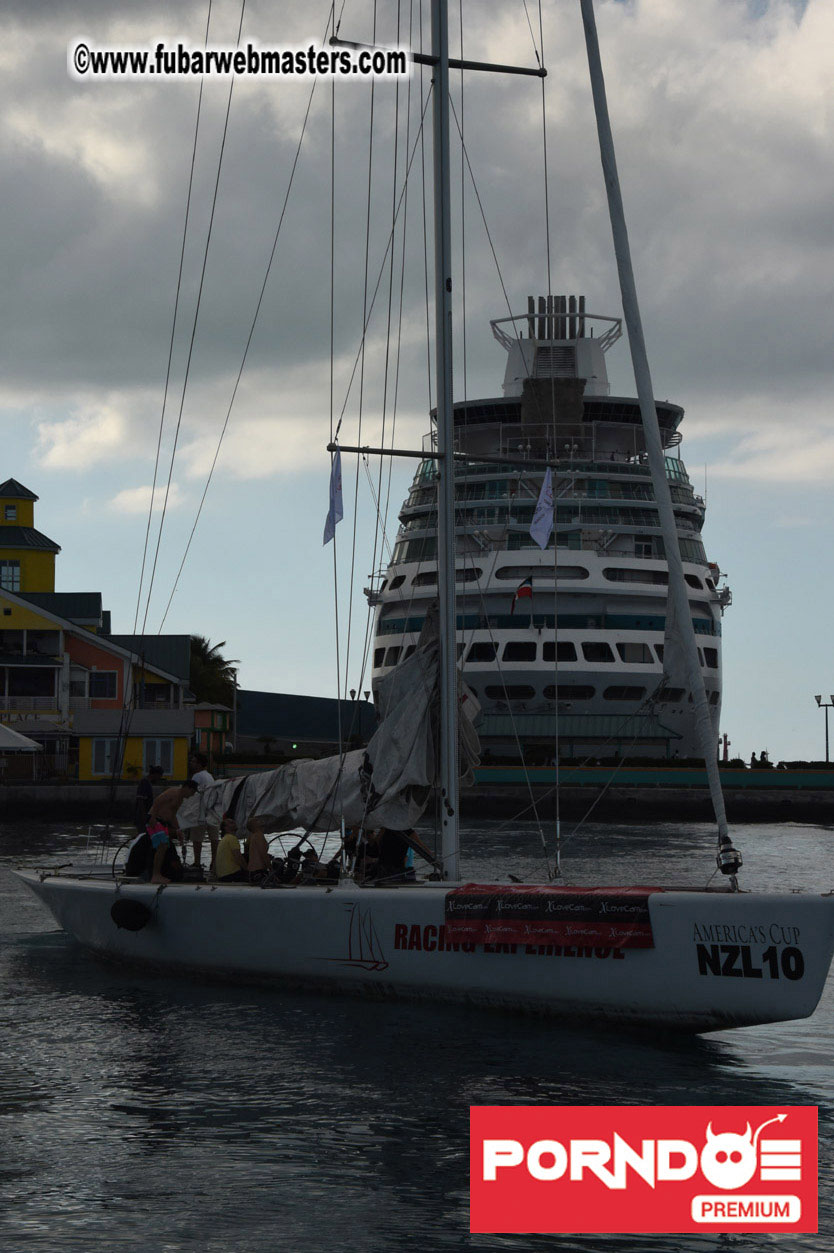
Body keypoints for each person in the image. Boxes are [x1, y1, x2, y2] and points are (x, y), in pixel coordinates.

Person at [148, 780, 198, 884]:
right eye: (192, 792)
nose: (192, 795)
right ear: (187, 788)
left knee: (165, 846)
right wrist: (152, 817)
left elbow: (172, 815)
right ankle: (155, 875)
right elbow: (157, 801)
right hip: (155, 819)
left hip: (163, 822)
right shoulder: (173, 792)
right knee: (163, 845)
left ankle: (159, 873)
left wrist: (178, 830)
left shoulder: (180, 799)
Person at [184, 751, 217, 868]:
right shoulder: (209, 776)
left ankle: (197, 862)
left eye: (193, 761)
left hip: (200, 812)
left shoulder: (197, 776)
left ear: (198, 764)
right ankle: (214, 862)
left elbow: (190, 794)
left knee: (197, 839)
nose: (190, 763)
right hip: (212, 811)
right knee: (214, 838)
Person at [133, 764, 164, 833]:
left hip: (146, 816)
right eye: (159, 776)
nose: (159, 778)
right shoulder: (144, 782)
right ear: (155, 774)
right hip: (142, 817)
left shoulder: (148, 783)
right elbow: (140, 800)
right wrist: (144, 817)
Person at [215, 817, 247, 883]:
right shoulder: (232, 838)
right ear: (225, 828)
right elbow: (238, 857)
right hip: (231, 875)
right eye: (231, 823)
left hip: (222, 875)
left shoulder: (223, 839)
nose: (234, 823)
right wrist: (248, 870)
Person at [245, 816, 271, 885]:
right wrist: (271, 870)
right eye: (257, 821)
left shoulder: (252, 836)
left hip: (252, 872)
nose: (260, 821)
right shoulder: (259, 835)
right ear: (254, 826)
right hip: (259, 871)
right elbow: (264, 855)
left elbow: (246, 845)